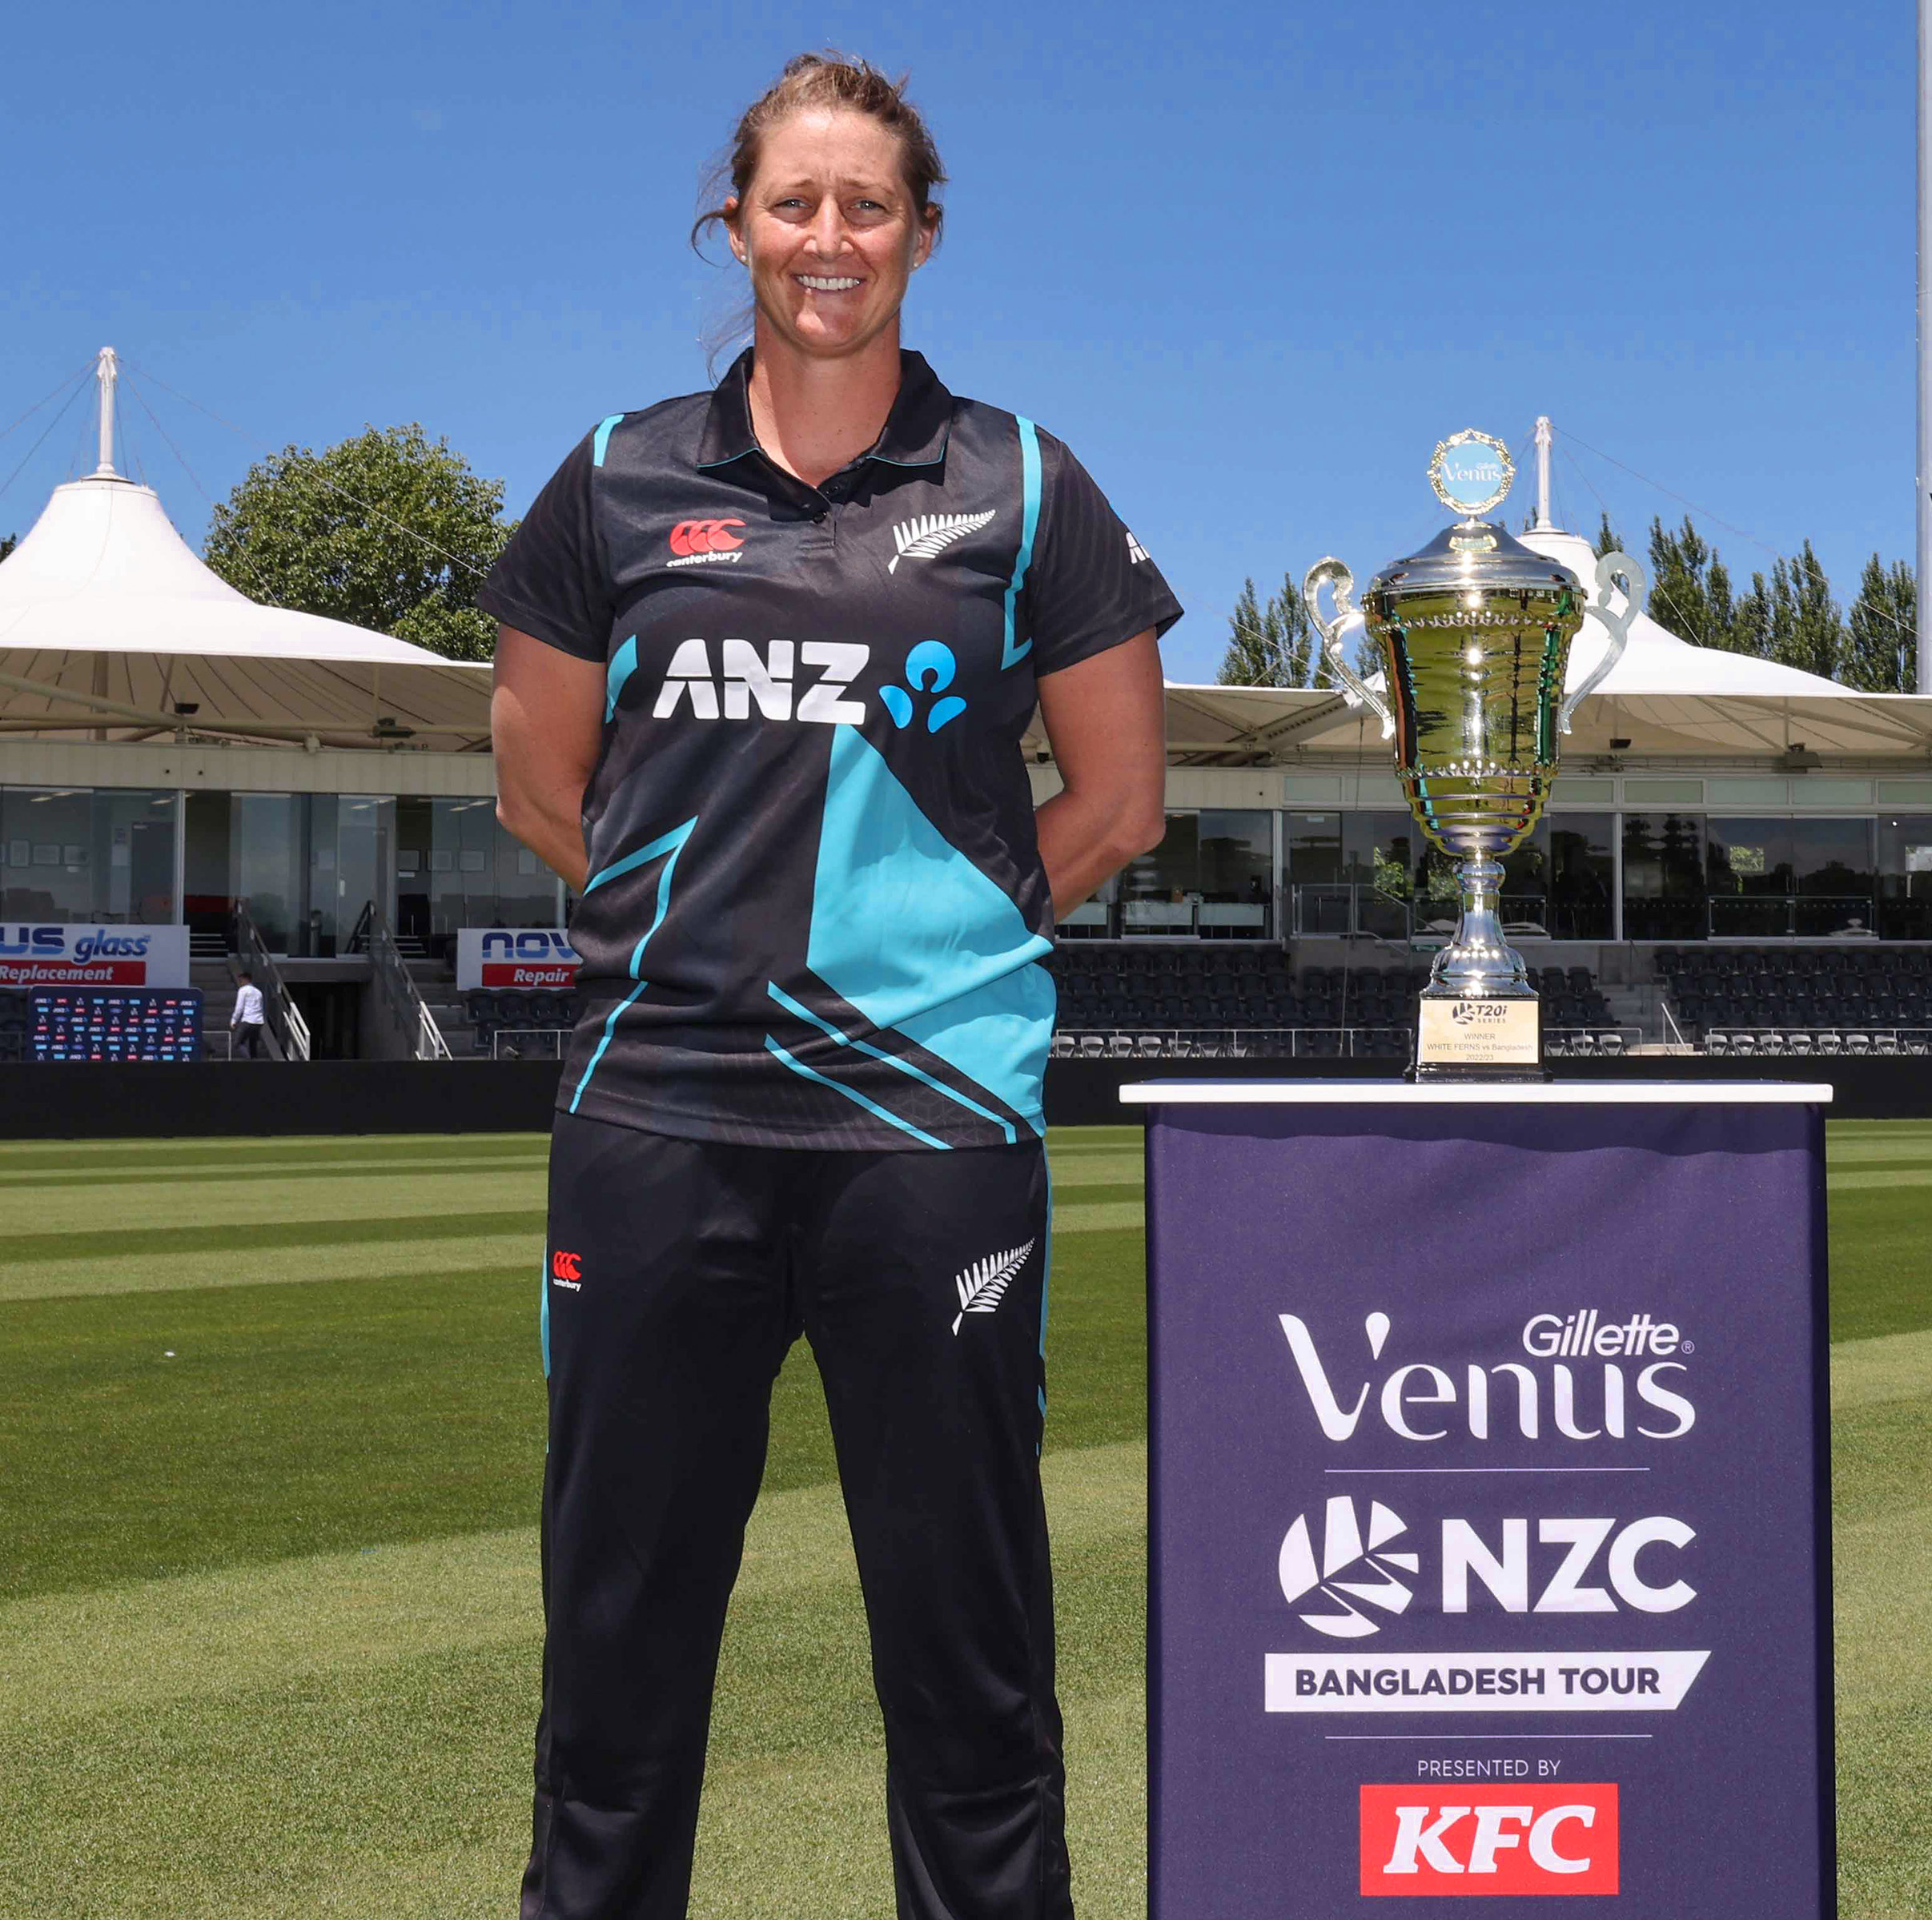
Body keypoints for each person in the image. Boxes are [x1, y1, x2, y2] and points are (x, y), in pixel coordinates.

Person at [482, 52, 1175, 1920]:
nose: (829, 236)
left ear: (923, 234)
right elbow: (538, 786)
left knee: (966, 1658)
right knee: (616, 1651)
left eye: (866, 204)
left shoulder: (1022, 481)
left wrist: (935, 946)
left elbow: (1117, 801)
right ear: (737, 225)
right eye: (794, 201)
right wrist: (690, 935)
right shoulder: (616, 475)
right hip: (655, 1114)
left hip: (928, 1126)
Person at [228, 970, 267, 1060]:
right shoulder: (258, 992)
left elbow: (239, 1007)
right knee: (253, 1045)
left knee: (238, 1043)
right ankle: (254, 1061)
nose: (240, 982)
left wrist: (234, 1020)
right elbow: (261, 1007)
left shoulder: (243, 990)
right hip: (258, 1022)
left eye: (241, 980)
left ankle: (248, 1060)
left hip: (248, 1020)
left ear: (246, 979)